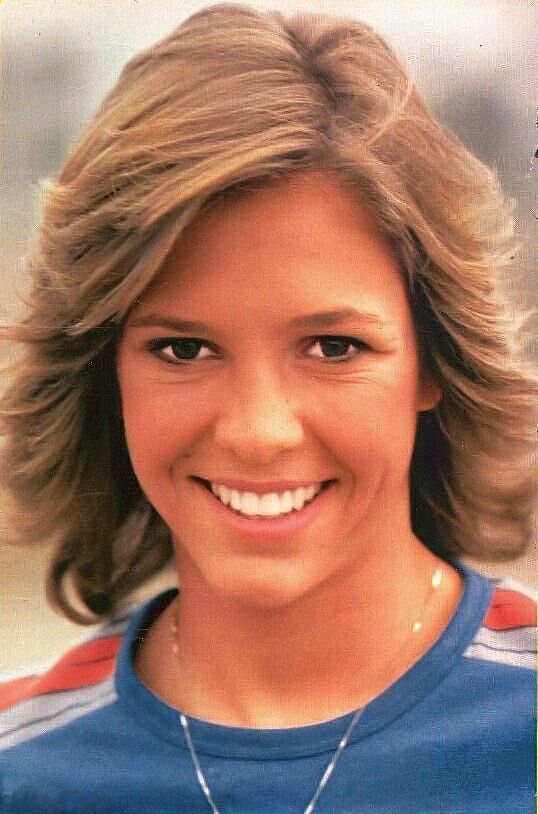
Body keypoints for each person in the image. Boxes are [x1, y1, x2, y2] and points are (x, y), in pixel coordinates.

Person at [0, 4, 535, 812]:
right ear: (105, 376)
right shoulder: (24, 767)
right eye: (183, 349)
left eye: (332, 347)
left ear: (434, 363)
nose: (258, 430)